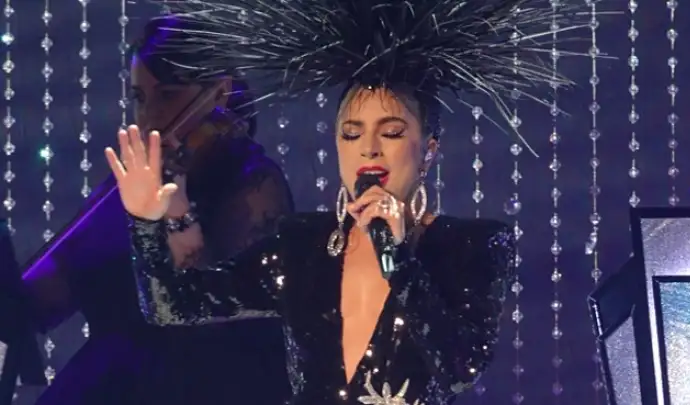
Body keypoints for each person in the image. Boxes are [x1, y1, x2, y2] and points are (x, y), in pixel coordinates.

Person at [107, 1, 581, 404]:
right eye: (351, 135)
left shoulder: (469, 246)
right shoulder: (302, 246)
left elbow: (460, 366)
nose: (369, 149)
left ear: (428, 149)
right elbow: (176, 307)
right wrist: (146, 221)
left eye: (390, 133)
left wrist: (396, 256)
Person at [25, 16, 293, 405]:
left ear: (219, 93)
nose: (149, 117)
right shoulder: (134, 181)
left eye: (167, 95)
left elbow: (212, 324)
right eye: (140, 98)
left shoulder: (254, 181)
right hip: (110, 380)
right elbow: (49, 295)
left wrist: (176, 215)